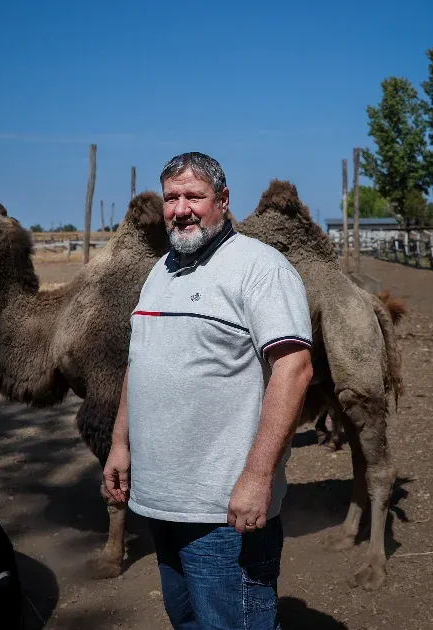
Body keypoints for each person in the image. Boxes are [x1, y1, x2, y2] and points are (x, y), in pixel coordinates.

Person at [102, 151, 314, 629]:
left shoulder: (260, 268)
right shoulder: (162, 271)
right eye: (172, 198)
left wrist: (259, 477)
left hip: (224, 511)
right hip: (162, 502)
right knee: (188, 621)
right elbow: (142, 361)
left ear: (222, 199)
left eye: (194, 197)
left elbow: (294, 369)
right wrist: (120, 444)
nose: (181, 209)